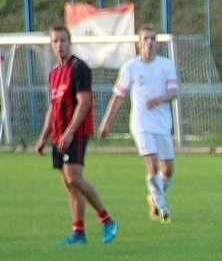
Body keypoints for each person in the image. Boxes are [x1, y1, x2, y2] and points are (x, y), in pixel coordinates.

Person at [35, 25, 118, 246]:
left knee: (74, 178)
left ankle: (107, 220)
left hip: (76, 132)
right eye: (55, 41)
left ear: (69, 42)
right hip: (59, 135)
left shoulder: (79, 68)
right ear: (51, 44)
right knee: (69, 184)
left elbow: (85, 102)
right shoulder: (53, 73)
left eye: (63, 40)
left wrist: (70, 132)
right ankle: (78, 232)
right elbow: (53, 109)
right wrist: (44, 137)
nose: (59, 45)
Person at [99, 25, 179, 223]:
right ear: (139, 43)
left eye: (153, 38)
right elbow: (118, 96)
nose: (149, 42)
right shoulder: (131, 67)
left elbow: (174, 92)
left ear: (157, 43)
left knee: (167, 170)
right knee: (151, 166)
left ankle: (153, 197)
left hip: (162, 124)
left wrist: (159, 99)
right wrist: (105, 122)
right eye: (146, 38)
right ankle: (163, 209)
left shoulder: (166, 65)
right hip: (141, 124)